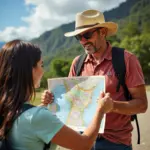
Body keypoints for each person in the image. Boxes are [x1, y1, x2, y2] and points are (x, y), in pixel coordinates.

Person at [42, 9, 148, 150]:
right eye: (79, 37)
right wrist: (51, 98)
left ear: (103, 32)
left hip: (116, 143)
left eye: (87, 35)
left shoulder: (127, 60)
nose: (83, 41)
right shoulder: (77, 63)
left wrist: (113, 106)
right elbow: (69, 100)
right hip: (82, 138)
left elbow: (141, 105)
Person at [0, 39, 113, 150]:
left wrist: (43, 106)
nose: (43, 71)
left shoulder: (8, 108)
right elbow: (84, 144)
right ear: (31, 70)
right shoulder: (37, 117)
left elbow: (26, 119)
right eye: (41, 65)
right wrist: (100, 111)